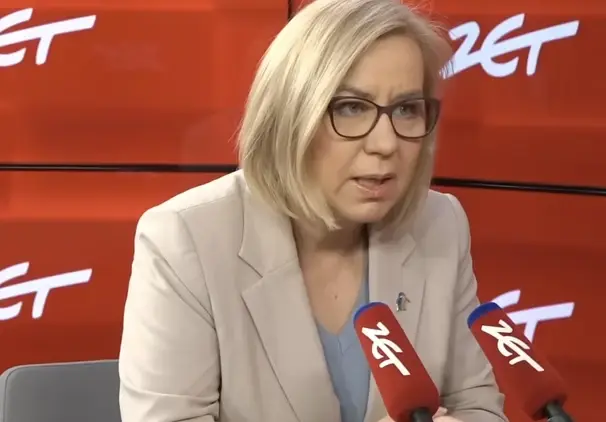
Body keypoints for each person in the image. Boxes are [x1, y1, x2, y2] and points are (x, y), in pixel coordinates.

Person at [117, 0, 509, 420]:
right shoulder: (185, 240)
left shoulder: (439, 224)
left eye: (406, 109)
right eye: (351, 107)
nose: (386, 144)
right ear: (290, 114)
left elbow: (478, 406)